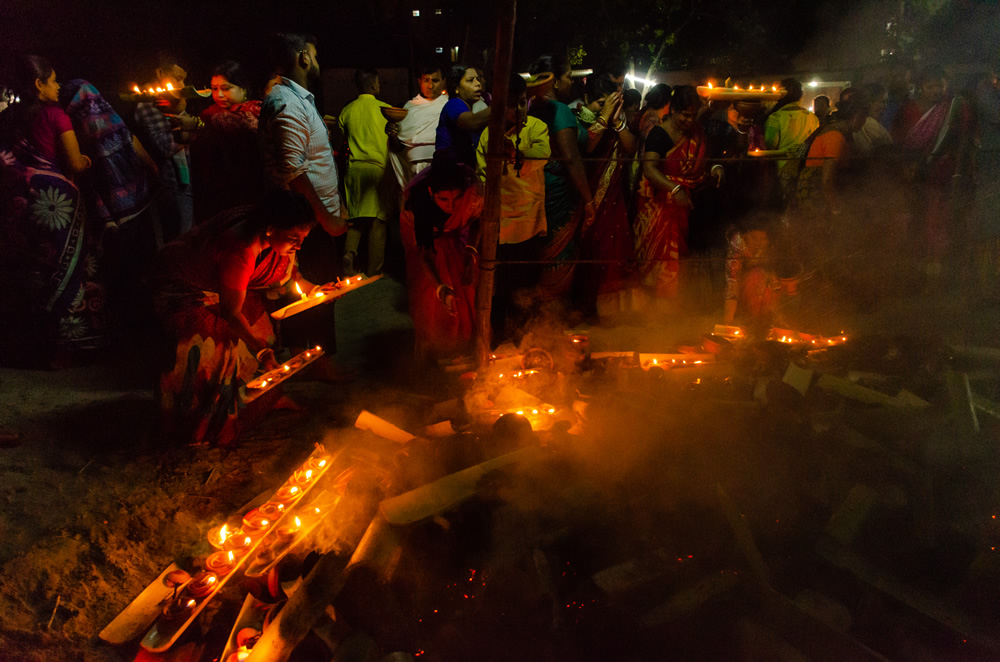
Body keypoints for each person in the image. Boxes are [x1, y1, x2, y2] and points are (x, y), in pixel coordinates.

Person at [152, 190, 316, 446]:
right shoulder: (240, 249)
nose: (299, 245)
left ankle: (267, 398)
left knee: (261, 324)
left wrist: (317, 291)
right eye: (294, 238)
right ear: (271, 229)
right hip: (183, 287)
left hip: (222, 287)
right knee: (214, 342)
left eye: (304, 237)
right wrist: (260, 350)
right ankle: (203, 422)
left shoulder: (266, 230)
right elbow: (231, 314)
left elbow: (292, 278)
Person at [0, 56, 108, 365]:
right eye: (53, 81)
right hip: (56, 204)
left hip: (18, 203)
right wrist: (90, 159)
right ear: (38, 85)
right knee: (66, 271)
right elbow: (74, 162)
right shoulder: (55, 115)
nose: (58, 86)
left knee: (31, 272)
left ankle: (30, 347)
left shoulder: (7, 118)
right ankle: (65, 350)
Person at [60, 79, 158, 330]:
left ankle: (130, 323)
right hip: (137, 204)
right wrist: (154, 175)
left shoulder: (74, 132)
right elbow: (136, 148)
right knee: (139, 264)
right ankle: (146, 321)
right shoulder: (112, 121)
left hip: (111, 214)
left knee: (122, 269)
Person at [475, 73, 550, 340]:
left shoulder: (536, 127)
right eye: (511, 104)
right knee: (501, 289)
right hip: (501, 225)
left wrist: (517, 154)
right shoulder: (488, 136)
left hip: (530, 222)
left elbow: (542, 155)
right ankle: (499, 342)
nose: (517, 110)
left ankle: (530, 340)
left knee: (529, 288)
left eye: (521, 103)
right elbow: (483, 179)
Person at [260, 33, 347, 241]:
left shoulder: (299, 100)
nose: (317, 62)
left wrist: (337, 205)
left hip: (318, 219)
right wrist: (327, 219)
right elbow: (293, 171)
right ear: (304, 58)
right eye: (314, 56)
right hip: (307, 225)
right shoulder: (287, 103)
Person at [634, 86, 719, 300]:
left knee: (679, 259)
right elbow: (649, 169)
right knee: (658, 261)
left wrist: (716, 168)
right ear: (673, 110)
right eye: (685, 115)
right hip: (659, 206)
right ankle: (656, 309)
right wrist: (675, 189)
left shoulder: (694, 132)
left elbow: (703, 163)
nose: (689, 121)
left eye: (692, 116)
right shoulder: (659, 134)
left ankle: (673, 306)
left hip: (685, 207)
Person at [399, 155, 482, 362]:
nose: (451, 206)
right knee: (427, 295)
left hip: (451, 237)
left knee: (465, 287)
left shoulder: (473, 192)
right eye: (443, 199)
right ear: (431, 193)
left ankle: (463, 348)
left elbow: (480, 220)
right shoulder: (418, 203)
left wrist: (470, 252)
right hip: (421, 238)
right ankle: (431, 352)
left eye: (456, 199)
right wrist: (441, 289)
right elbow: (425, 254)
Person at [527, 54, 595, 302]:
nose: (570, 82)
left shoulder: (532, 107)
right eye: (567, 76)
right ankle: (553, 315)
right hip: (560, 195)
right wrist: (589, 200)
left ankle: (540, 319)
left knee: (541, 257)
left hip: (539, 191)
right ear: (554, 81)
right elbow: (571, 158)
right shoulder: (559, 110)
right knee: (559, 255)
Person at [895, 67, 972, 279]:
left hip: (944, 174)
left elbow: (964, 137)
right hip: (914, 175)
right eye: (930, 86)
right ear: (921, 88)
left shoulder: (954, 107)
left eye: (939, 85)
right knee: (916, 219)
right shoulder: (910, 109)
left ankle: (939, 267)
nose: (935, 90)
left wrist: (958, 169)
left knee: (939, 220)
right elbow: (901, 140)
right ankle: (917, 267)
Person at [575, 74, 638, 318]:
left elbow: (631, 148)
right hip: (587, 198)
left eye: (610, 102)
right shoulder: (579, 118)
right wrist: (604, 117)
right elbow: (586, 148)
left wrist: (618, 122)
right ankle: (587, 309)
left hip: (614, 199)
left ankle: (613, 313)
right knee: (592, 250)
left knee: (615, 249)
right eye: (600, 103)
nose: (606, 108)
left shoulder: (617, 120)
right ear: (587, 99)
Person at [181, 60, 268, 221]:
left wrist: (196, 125)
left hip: (244, 190)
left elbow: (240, 130)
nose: (219, 95)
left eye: (226, 88)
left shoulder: (254, 111)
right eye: (214, 89)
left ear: (243, 88)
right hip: (213, 193)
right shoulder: (209, 114)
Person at [132, 52, 194, 244]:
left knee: (188, 234)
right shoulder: (147, 105)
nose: (182, 86)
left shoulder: (173, 103)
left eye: (184, 80)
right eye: (177, 79)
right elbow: (165, 147)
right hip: (169, 183)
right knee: (179, 239)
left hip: (186, 179)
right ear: (160, 73)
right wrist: (192, 129)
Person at [339, 67, 392, 276]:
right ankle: (374, 272)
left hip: (354, 171)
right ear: (373, 85)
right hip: (377, 170)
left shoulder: (347, 110)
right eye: (378, 83)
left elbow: (341, 142)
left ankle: (349, 253)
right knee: (378, 223)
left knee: (356, 220)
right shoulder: (386, 109)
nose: (379, 86)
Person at [388, 61, 449, 186]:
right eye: (426, 80)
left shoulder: (450, 106)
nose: (430, 86)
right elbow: (398, 147)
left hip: (443, 166)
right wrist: (391, 134)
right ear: (419, 82)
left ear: (444, 81)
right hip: (414, 169)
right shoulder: (410, 107)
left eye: (435, 80)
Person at [764, 77, 819, 207]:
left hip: (784, 170)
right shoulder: (813, 117)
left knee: (785, 206)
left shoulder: (776, 118)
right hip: (806, 168)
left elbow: (769, 146)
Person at [434, 64, 490, 166]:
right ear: (456, 87)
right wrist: (501, 104)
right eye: (470, 80)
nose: (478, 84)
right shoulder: (454, 104)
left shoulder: (468, 108)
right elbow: (472, 123)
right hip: (449, 173)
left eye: (478, 79)